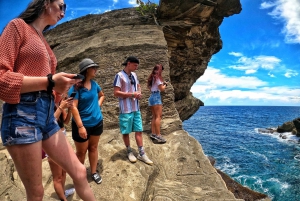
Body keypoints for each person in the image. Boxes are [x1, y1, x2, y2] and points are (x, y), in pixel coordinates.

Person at [0, 1, 96, 200]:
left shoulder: (43, 40)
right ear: (45, 3)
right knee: (36, 193)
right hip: (22, 115)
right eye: (61, 6)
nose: (63, 12)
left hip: (48, 115)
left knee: (79, 172)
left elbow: (49, 86)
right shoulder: (18, 27)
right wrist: (50, 81)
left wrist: (61, 90)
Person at [68, 58, 105, 184]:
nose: (96, 70)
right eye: (94, 68)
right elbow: (73, 107)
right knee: (81, 152)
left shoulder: (94, 84)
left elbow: (102, 95)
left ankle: (93, 172)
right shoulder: (75, 87)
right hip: (82, 125)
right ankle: (80, 176)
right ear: (87, 69)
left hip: (97, 122)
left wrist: (97, 107)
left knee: (94, 148)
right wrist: (80, 126)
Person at [113, 56, 153, 165]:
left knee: (139, 130)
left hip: (136, 107)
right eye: (135, 65)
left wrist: (139, 92)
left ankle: (141, 153)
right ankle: (129, 151)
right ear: (129, 63)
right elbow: (116, 93)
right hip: (125, 109)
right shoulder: (119, 76)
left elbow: (138, 85)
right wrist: (131, 94)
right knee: (126, 131)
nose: (136, 68)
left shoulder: (134, 75)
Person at [47, 91, 75, 201]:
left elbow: (66, 121)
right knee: (57, 176)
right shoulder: (47, 106)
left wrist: (70, 109)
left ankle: (62, 193)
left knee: (64, 170)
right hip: (52, 140)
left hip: (62, 136)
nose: (63, 95)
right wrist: (61, 107)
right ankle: (63, 199)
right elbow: (49, 122)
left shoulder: (58, 105)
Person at [147, 64, 168, 143]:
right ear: (159, 70)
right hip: (156, 97)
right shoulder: (158, 78)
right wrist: (165, 84)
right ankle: (158, 135)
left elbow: (150, 88)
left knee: (154, 116)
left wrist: (162, 84)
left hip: (151, 96)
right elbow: (162, 89)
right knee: (158, 117)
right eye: (161, 70)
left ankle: (153, 134)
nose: (162, 72)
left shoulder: (152, 78)